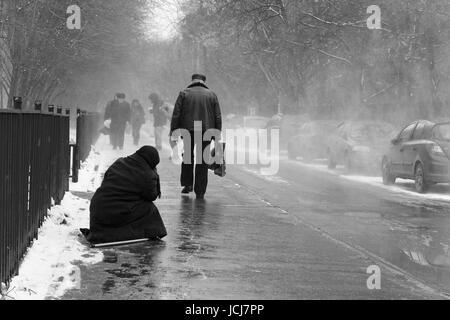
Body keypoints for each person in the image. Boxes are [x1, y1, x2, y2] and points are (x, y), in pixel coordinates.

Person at [86, 146, 167, 244]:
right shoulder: (147, 174)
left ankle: (102, 233)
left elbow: (107, 178)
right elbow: (152, 196)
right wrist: (154, 174)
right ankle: (144, 233)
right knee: (149, 208)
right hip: (114, 211)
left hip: (98, 207)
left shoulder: (120, 162)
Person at [170, 74, 222, 199]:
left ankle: (188, 185)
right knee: (202, 159)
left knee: (188, 157)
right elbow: (217, 116)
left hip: (188, 129)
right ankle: (200, 190)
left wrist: (174, 131)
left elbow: (176, 113)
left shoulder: (184, 93)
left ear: (192, 81)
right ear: (204, 82)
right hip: (206, 130)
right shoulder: (211, 95)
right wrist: (217, 133)